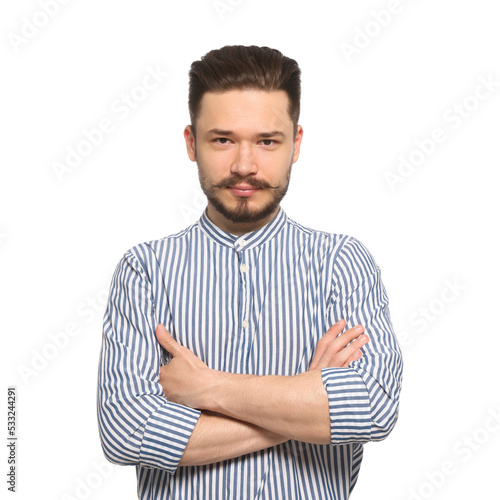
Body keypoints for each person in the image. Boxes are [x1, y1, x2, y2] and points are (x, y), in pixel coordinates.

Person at [97, 45, 403, 500]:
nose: (244, 165)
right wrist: (304, 400)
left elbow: (373, 408)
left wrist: (208, 388)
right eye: (222, 140)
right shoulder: (144, 270)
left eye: (267, 141)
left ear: (296, 144)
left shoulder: (342, 263)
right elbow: (126, 431)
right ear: (190, 142)